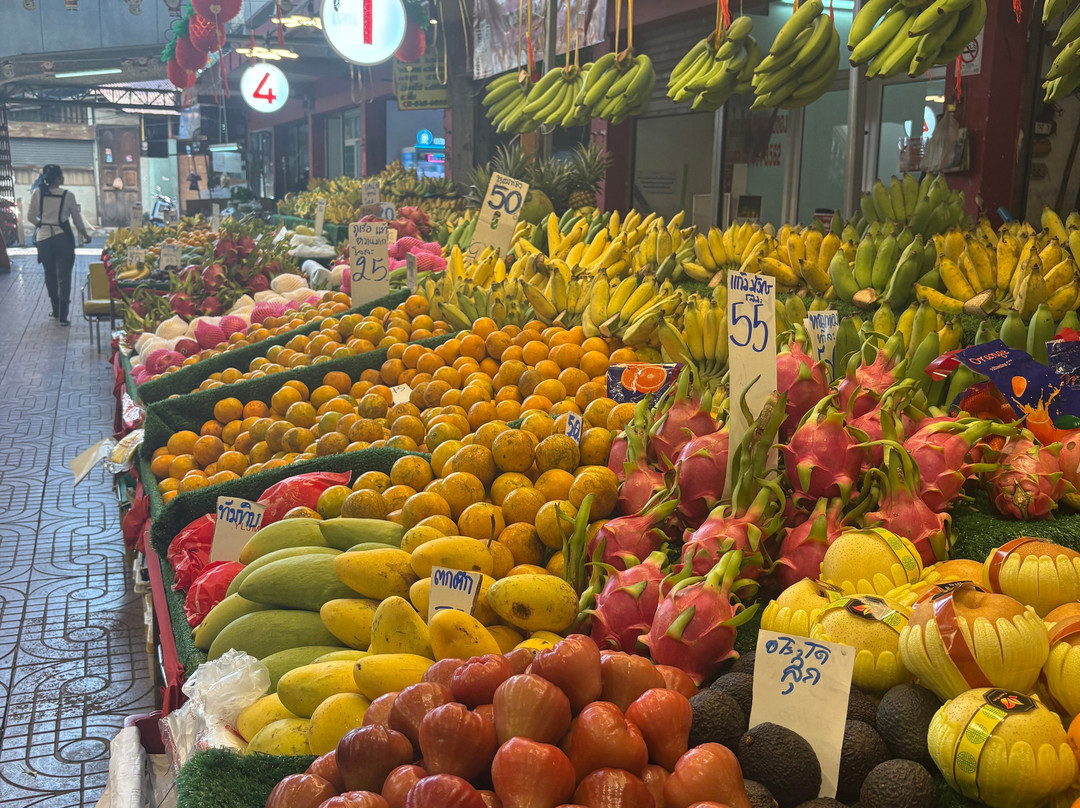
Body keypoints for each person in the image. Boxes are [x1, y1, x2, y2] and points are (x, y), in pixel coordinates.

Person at [28, 164, 90, 325]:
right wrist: (85, 235)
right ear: (58, 179)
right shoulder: (67, 195)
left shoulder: (37, 193)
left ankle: (55, 309)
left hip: (43, 239)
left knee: (49, 274)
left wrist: (41, 223)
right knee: (64, 276)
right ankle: (63, 315)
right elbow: (76, 220)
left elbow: (30, 216)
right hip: (63, 238)